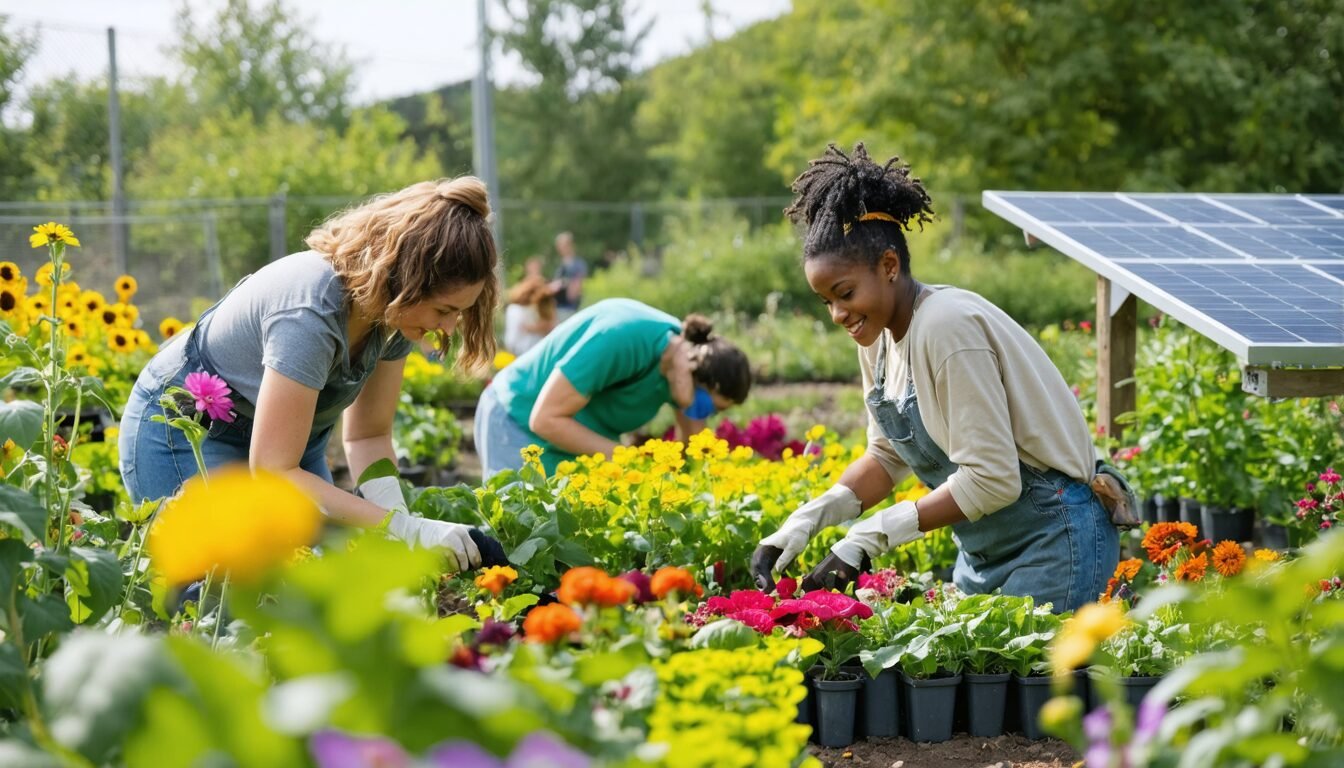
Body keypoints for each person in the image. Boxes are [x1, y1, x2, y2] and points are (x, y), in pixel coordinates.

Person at [751, 144, 1123, 612]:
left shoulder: (946, 327)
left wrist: (869, 536)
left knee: (1033, 685)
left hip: (1055, 539)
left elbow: (994, 480)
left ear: (889, 266)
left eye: (844, 293)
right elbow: (886, 457)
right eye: (826, 301)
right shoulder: (880, 337)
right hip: (984, 551)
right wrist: (807, 520)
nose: (837, 314)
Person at [118, 178, 505, 572]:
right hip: (189, 432)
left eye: (460, 312)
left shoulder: (397, 318)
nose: (450, 328)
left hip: (287, 453)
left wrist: (404, 528)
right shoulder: (309, 312)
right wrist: (405, 529)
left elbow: (368, 436)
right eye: (444, 310)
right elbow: (273, 470)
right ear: (404, 280)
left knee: (314, 585)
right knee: (220, 590)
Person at [475, 298, 752, 478]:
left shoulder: (680, 370)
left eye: (713, 412)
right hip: (515, 421)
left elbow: (694, 448)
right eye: (706, 406)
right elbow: (544, 419)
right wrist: (632, 460)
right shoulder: (623, 336)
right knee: (519, 546)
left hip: (570, 442)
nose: (702, 415)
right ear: (690, 369)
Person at [503, 274, 557, 356]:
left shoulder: (513, 308)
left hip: (517, 349)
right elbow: (549, 326)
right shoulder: (524, 309)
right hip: (526, 350)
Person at [548, 231, 587, 319]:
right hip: (557, 309)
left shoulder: (577, 264)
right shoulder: (561, 265)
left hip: (568, 310)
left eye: (563, 245)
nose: (560, 248)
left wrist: (563, 285)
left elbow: (574, 292)